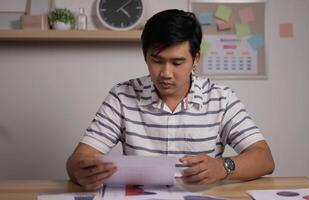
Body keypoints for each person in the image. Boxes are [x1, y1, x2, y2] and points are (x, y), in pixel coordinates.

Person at [66, 9, 274, 191]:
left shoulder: (221, 98)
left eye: (177, 62)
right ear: (145, 55)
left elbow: (264, 158)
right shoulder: (122, 96)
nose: (166, 73)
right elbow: (76, 161)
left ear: (196, 59)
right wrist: (83, 172)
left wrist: (222, 167)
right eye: (157, 61)